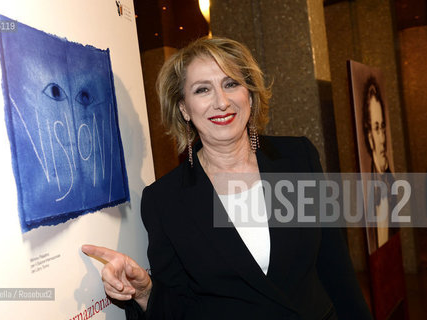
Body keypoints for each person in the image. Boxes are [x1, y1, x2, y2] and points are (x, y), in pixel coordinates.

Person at [82, 37, 372, 319]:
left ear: (250, 94)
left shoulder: (298, 158)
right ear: (184, 108)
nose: (221, 102)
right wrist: (145, 293)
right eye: (202, 90)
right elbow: (178, 305)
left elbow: (335, 267)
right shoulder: (164, 200)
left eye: (231, 84)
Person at [362, 76, 394, 249]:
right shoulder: (366, 191)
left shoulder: (392, 185)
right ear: (369, 136)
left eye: (383, 127)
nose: (382, 138)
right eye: (376, 128)